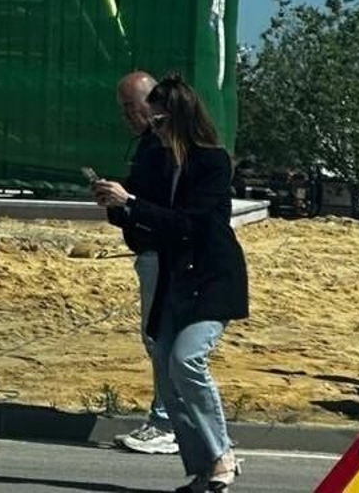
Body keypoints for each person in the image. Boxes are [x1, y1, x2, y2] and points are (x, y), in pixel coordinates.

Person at [92, 74, 248, 492]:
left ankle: (223, 455)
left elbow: (189, 225)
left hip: (211, 278)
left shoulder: (212, 162)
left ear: (179, 119)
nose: (152, 130)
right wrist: (116, 204)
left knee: (186, 360)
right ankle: (202, 470)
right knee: (165, 366)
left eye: (158, 122)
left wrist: (133, 203)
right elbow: (148, 217)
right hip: (174, 279)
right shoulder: (160, 162)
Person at [106, 71, 180, 456]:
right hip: (152, 250)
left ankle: (167, 420)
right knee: (162, 340)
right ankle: (172, 419)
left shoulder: (163, 148)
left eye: (129, 107)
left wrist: (126, 204)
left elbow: (156, 205)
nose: (126, 117)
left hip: (160, 253)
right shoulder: (151, 147)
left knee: (163, 340)